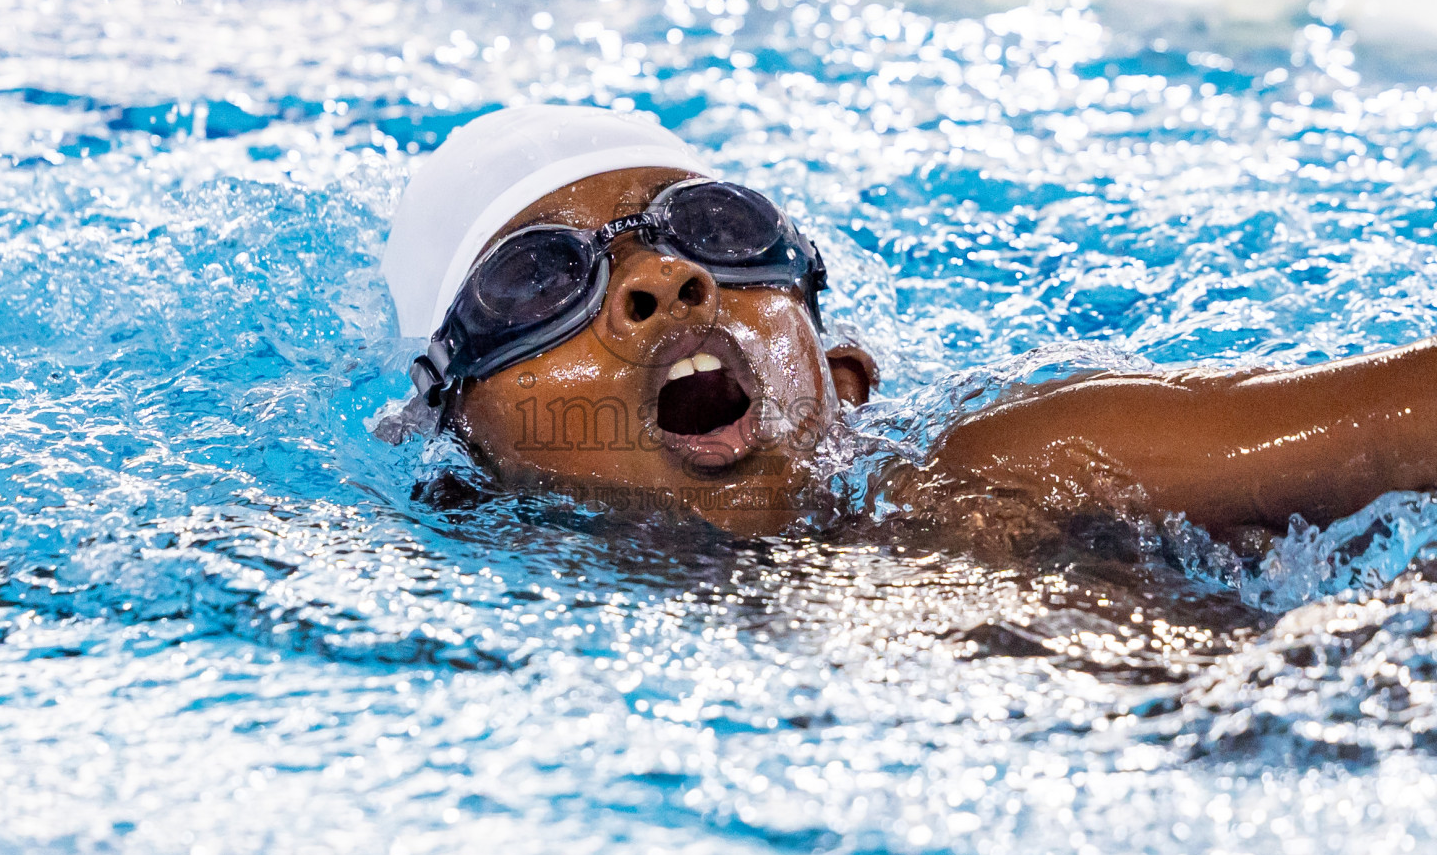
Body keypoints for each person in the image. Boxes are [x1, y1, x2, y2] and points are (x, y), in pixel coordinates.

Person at [381, 105, 1437, 558]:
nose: (665, 278)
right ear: (461, 450)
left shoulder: (1008, 472)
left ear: (842, 377)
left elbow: (1398, 425)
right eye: (537, 280)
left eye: (713, 228)